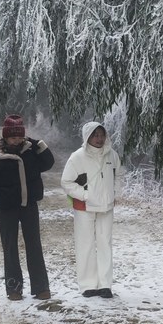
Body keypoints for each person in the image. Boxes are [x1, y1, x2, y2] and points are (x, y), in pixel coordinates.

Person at [0, 114, 55, 301]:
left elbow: (48, 163)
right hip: (6, 208)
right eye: (12, 137)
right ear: (5, 137)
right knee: (10, 247)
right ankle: (14, 288)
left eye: (19, 136)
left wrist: (40, 145)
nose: (16, 140)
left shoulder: (31, 151)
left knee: (34, 245)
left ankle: (41, 287)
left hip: (29, 205)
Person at [61, 121, 121, 298]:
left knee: (105, 244)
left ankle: (105, 285)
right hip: (84, 207)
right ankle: (88, 285)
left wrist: (113, 193)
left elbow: (119, 175)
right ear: (87, 136)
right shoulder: (77, 157)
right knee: (85, 244)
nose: (99, 139)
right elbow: (66, 182)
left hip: (106, 207)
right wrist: (86, 195)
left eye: (102, 135)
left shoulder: (112, 156)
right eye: (95, 135)